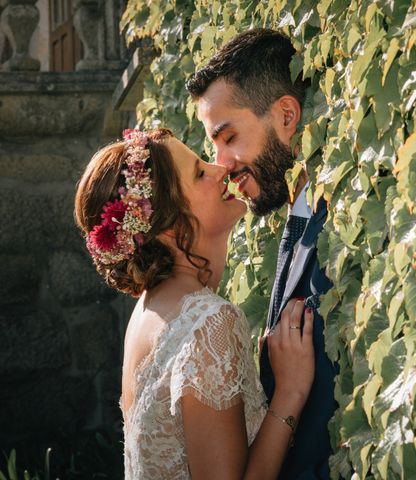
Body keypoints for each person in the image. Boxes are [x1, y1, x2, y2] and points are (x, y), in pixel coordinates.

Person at [74, 128, 316, 479]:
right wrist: (290, 392)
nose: (220, 168)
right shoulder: (207, 322)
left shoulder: (147, 312)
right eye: (201, 172)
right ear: (170, 227)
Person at [186, 29, 337, 479]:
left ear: (287, 114)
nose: (221, 164)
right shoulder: (297, 212)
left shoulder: (341, 223)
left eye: (227, 137)